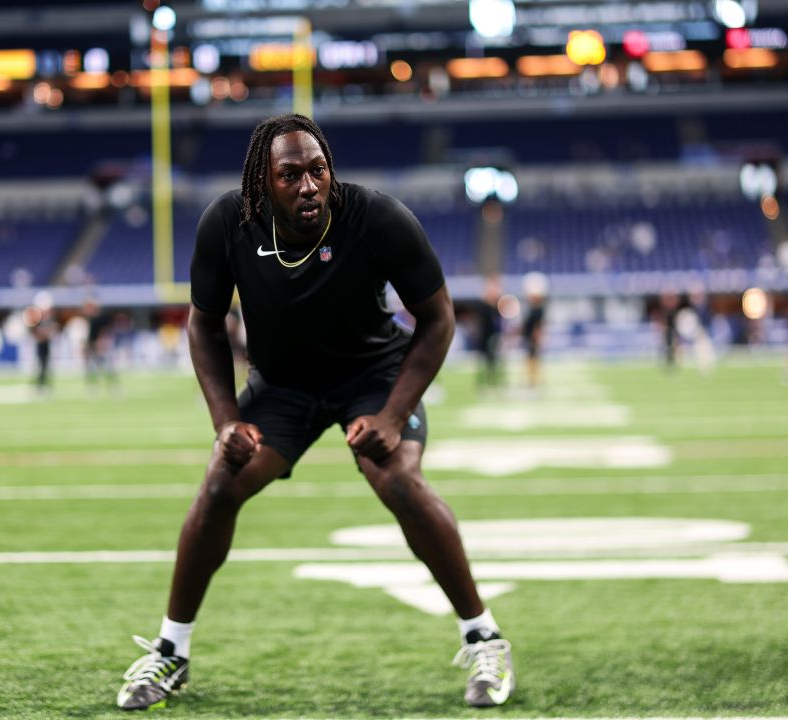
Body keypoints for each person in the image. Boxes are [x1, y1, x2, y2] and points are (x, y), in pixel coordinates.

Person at [116, 114, 514, 711]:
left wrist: (392, 413)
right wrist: (226, 421)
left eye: (318, 170)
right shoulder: (228, 222)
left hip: (373, 376)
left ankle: (484, 638)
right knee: (220, 483)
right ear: (262, 183)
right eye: (290, 174)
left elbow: (439, 320)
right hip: (283, 386)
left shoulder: (377, 217)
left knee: (398, 478)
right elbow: (203, 326)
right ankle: (170, 651)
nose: (308, 186)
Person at [520, 272, 547, 389]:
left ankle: (533, 382)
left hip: (533, 338)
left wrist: (537, 337)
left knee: (533, 359)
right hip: (529, 337)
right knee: (531, 359)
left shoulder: (538, 309)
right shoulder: (533, 308)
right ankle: (532, 381)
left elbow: (538, 326)